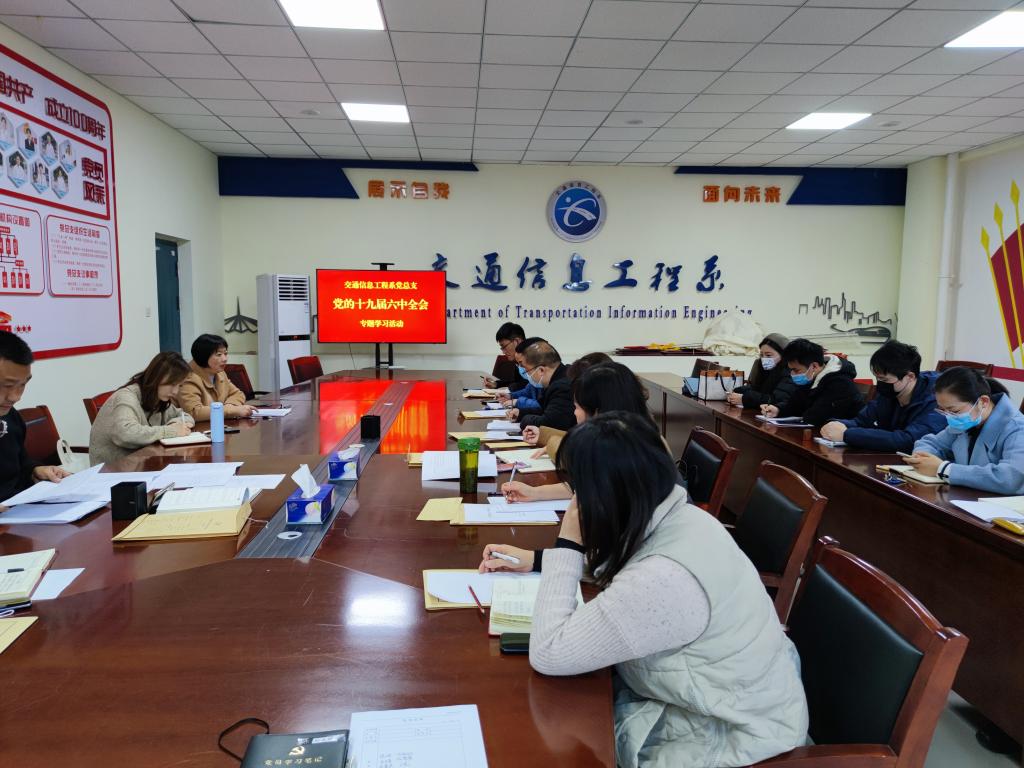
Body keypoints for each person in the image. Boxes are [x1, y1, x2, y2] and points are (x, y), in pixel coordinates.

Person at [487, 413, 808, 766]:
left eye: (577, 488)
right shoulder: (685, 517)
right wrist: (537, 560)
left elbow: (549, 652)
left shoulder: (665, 580)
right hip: (725, 699)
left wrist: (568, 542)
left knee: (545, 742)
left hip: (728, 734)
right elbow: (624, 559)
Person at [492, 360, 658, 517]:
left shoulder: (628, 450)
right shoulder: (630, 435)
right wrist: (534, 493)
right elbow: (587, 485)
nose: (574, 413)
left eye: (577, 407)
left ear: (598, 411)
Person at [908, 367, 1024, 494]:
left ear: (983, 402)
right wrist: (922, 458)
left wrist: (944, 469)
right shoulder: (967, 422)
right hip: (966, 496)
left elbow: (1010, 478)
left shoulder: (1017, 428)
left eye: (954, 411)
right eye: (943, 410)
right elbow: (931, 443)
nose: (949, 417)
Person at [820, 340, 946, 452]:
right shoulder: (889, 392)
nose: (880, 384)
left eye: (885, 379)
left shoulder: (939, 399)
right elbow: (862, 421)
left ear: (910, 376)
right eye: (878, 378)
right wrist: (837, 424)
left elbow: (908, 440)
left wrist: (847, 434)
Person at [89, 352, 195, 465]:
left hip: (141, 463)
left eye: (180, 385)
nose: (175, 392)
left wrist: (175, 425)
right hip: (112, 469)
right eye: (172, 384)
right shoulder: (126, 397)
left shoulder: (157, 397)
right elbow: (126, 434)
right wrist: (170, 431)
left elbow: (185, 416)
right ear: (156, 378)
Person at [0, 331, 69, 503]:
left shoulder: (10, 417)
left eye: (22, 385)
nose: (15, 397)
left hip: (20, 509)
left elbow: (20, 463)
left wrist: (35, 471)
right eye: (7, 385)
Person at [761, 338, 863, 428]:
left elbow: (815, 418)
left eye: (796, 370)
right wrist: (778, 409)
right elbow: (795, 405)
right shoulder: (811, 377)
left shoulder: (840, 383)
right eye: (791, 370)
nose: (792, 374)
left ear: (814, 366)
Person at [176, 333, 255, 421]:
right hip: (195, 428)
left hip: (216, 424)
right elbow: (194, 412)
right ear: (203, 356)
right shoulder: (188, 377)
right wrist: (230, 411)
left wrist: (230, 406)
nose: (225, 359)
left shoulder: (219, 373)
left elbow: (237, 394)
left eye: (225, 353)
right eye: (219, 355)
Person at [726, 333, 795, 410]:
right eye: (761, 355)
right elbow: (756, 388)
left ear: (783, 355)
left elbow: (777, 400)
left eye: (768, 355)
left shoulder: (791, 373)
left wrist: (744, 399)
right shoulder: (765, 369)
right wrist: (737, 391)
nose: (763, 359)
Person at [517, 340, 576, 431]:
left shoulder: (562, 387)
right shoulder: (560, 376)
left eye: (527, 371)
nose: (527, 375)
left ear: (541, 370)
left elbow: (549, 424)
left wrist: (525, 420)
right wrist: (521, 413)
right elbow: (547, 411)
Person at [498, 336, 545, 414]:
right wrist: (510, 396)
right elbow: (526, 392)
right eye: (518, 364)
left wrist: (518, 402)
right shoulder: (535, 379)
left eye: (522, 364)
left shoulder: (553, 381)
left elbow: (542, 406)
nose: (522, 369)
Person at [482, 322, 526, 390]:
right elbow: (518, 383)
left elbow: (527, 387)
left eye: (504, 346)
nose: (503, 352)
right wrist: (497, 384)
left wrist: (509, 388)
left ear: (517, 341)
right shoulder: (518, 359)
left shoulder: (533, 357)